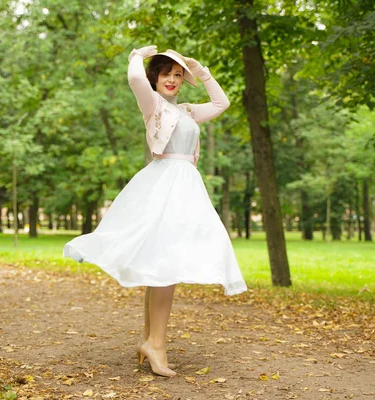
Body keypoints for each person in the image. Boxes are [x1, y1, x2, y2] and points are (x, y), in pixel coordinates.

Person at [63, 45, 247, 377]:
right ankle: (156, 346)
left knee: (162, 264)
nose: (173, 80)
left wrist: (200, 71)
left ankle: (150, 340)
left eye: (178, 75)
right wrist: (138, 54)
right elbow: (135, 76)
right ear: (156, 78)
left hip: (185, 188)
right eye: (167, 74)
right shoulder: (153, 105)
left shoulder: (188, 111)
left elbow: (222, 103)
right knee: (164, 265)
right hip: (163, 186)